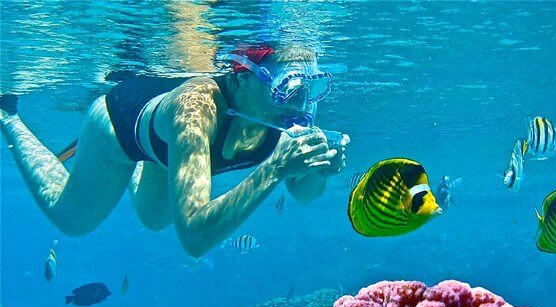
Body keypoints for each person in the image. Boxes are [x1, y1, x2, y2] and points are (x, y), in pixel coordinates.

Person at [0, 45, 348, 256]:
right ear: (242, 78)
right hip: (119, 127)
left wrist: (319, 169)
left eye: (308, 87)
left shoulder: (275, 114)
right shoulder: (196, 112)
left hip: (168, 145)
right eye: (285, 87)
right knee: (74, 220)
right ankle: (8, 115)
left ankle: (150, 160)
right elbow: (194, 238)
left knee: (155, 218)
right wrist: (273, 170)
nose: (298, 102)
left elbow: (303, 192)